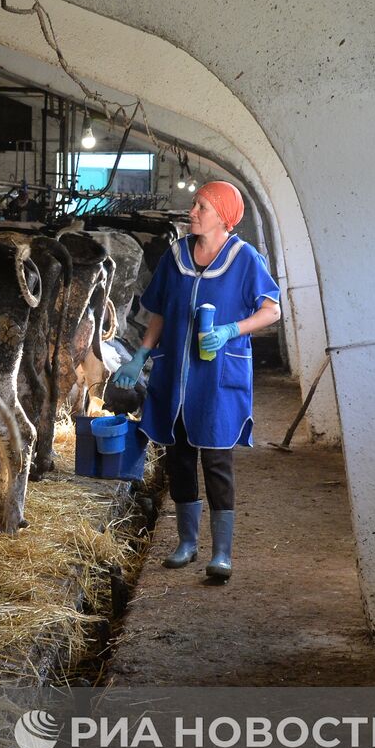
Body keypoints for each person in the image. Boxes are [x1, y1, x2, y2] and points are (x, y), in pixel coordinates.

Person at [112, 181, 282, 580]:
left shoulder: (245, 259)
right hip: (175, 372)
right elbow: (160, 312)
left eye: (201, 206)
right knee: (180, 458)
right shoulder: (175, 256)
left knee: (217, 459)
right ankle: (187, 542)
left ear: (222, 216)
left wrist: (231, 330)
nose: (192, 211)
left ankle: (221, 552)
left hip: (219, 375)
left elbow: (271, 311)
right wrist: (141, 354)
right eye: (194, 205)